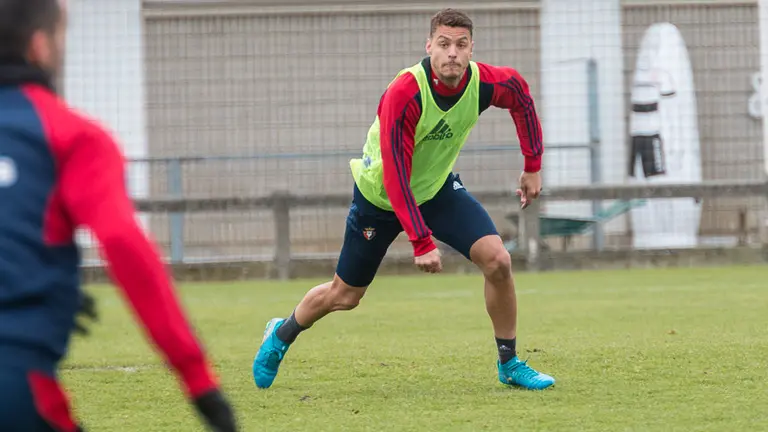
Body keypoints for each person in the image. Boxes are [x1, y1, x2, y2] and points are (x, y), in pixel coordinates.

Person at [253, 8, 555, 391]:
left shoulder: (483, 83)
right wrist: (421, 240)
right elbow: (396, 172)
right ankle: (281, 333)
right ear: (429, 46)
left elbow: (521, 97)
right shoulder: (405, 92)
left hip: (434, 190)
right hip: (380, 197)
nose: (452, 54)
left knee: (497, 261)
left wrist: (532, 165)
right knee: (345, 296)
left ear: (471, 49)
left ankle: (509, 362)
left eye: (461, 45)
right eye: (444, 44)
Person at [0, 0, 238, 430]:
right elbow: (125, 245)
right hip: (16, 387)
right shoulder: (72, 135)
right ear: (39, 46)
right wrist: (198, 380)